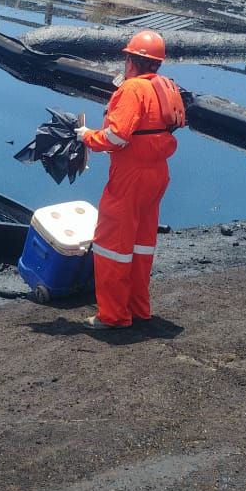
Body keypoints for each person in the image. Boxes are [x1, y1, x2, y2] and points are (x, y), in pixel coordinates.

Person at [74, 29, 186, 330]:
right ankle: (138, 309)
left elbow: (117, 136)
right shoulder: (164, 87)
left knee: (112, 245)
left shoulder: (132, 89)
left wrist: (88, 137)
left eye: (126, 59)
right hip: (157, 173)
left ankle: (113, 316)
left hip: (130, 176)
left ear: (132, 61)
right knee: (141, 244)